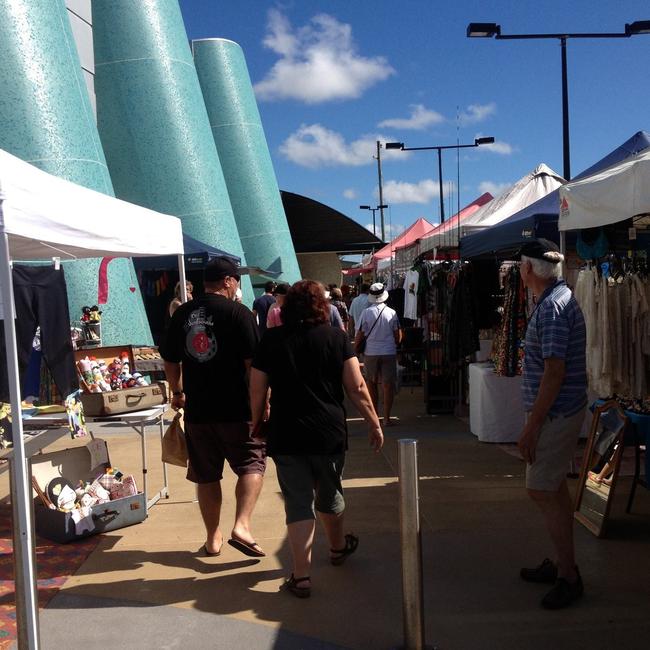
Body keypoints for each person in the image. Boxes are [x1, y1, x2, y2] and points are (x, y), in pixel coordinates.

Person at [249, 280, 383, 598]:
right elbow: (357, 387)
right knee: (330, 492)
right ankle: (337, 548)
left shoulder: (271, 339)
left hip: (286, 430)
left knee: (297, 502)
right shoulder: (337, 338)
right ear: (323, 307)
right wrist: (374, 422)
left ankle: (302, 575)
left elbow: (256, 387)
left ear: (286, 306)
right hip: (329, 431)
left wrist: (257, 420)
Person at [160, 257, 267, 558]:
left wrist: (177, 391)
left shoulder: (182, 313)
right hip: (237, 409)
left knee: (206, 475)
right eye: (237, 282)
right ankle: (242, 525)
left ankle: (212, 538)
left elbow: (169, 358)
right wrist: (262, 403)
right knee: (252, 463)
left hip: (199, 410)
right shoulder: (239, 313)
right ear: (229, 282)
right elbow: (253, 366)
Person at [516, 239, 587, 610]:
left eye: (520, 266)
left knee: (541, 488)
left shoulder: (553, 307)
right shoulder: (552, 302)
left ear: (529, 269)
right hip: (556, 411)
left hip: (556, 413)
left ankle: (569, 576)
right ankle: (563, 563)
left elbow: (554, 372)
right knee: (552, 486)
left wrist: (532, 426)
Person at [355, 283, 402, 426]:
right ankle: (387, 418)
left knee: (371, 383)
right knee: (388, 385)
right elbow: (398, 336)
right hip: (388, 351)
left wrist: (356, 349)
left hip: (371, 353)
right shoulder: (392, 313)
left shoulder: (366, 313)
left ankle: (374, 416)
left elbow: (359, 334)